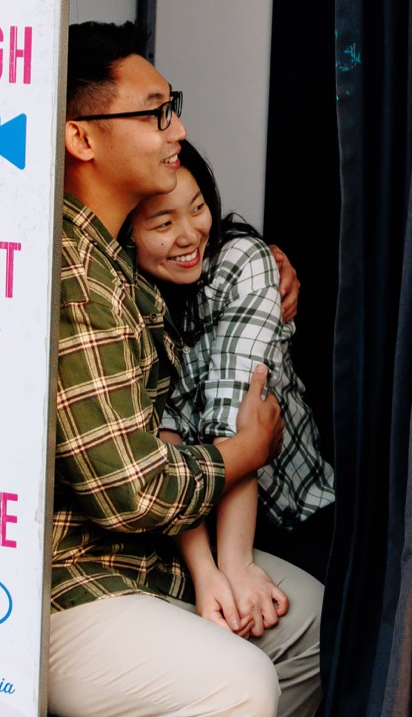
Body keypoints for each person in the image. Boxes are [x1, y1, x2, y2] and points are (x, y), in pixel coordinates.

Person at [48, 21, 324, 717]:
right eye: (153, 112)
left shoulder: (118, 249)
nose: (177, 131)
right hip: (63, 590)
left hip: (139, 564)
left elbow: (206, 284)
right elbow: (126, 480)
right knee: (234, 684)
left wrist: (263, 268)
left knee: (305, 623)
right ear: (82, 134)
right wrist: (238, 450)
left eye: (174, 109)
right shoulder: (69, 266)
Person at [127, 138, 334, 655]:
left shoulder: (242, 262)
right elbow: (164, 441)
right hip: (186, 514)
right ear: (125, 234)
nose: (189, 233)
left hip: (287, 508)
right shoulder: (127, 300)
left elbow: (241, 425)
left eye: (198, 207)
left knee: (311, 634)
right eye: (162, 223)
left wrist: (236, 563)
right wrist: (208, 572)